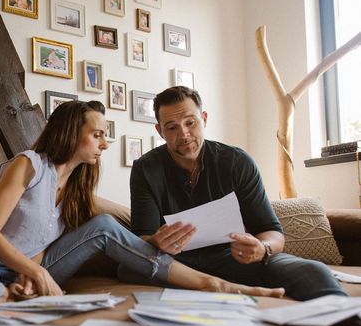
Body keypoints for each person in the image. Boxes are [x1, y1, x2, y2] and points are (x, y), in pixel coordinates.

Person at [0, 100, 284, 305]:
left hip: (29, 269)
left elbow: (39, 246)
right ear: (72, 134)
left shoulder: (79, 186)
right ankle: (6, 296)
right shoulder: (28, 165)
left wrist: (32, 269)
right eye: (97, 134)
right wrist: (34, 274)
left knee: (104, 227)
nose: (104, 143)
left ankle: (216, 285)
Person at [128, 86, 346, 301]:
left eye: (190, 122)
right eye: (172, 127)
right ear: (160, 131)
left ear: (204, 118)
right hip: (177, 264)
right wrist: (157, 242)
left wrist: (262, 248)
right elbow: (142, 238)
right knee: (128, 269)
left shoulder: (236, 162)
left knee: (313, 270)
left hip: (234, 258)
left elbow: (271, 231)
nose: (184, 134)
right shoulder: (146, 169)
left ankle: (347, 316)